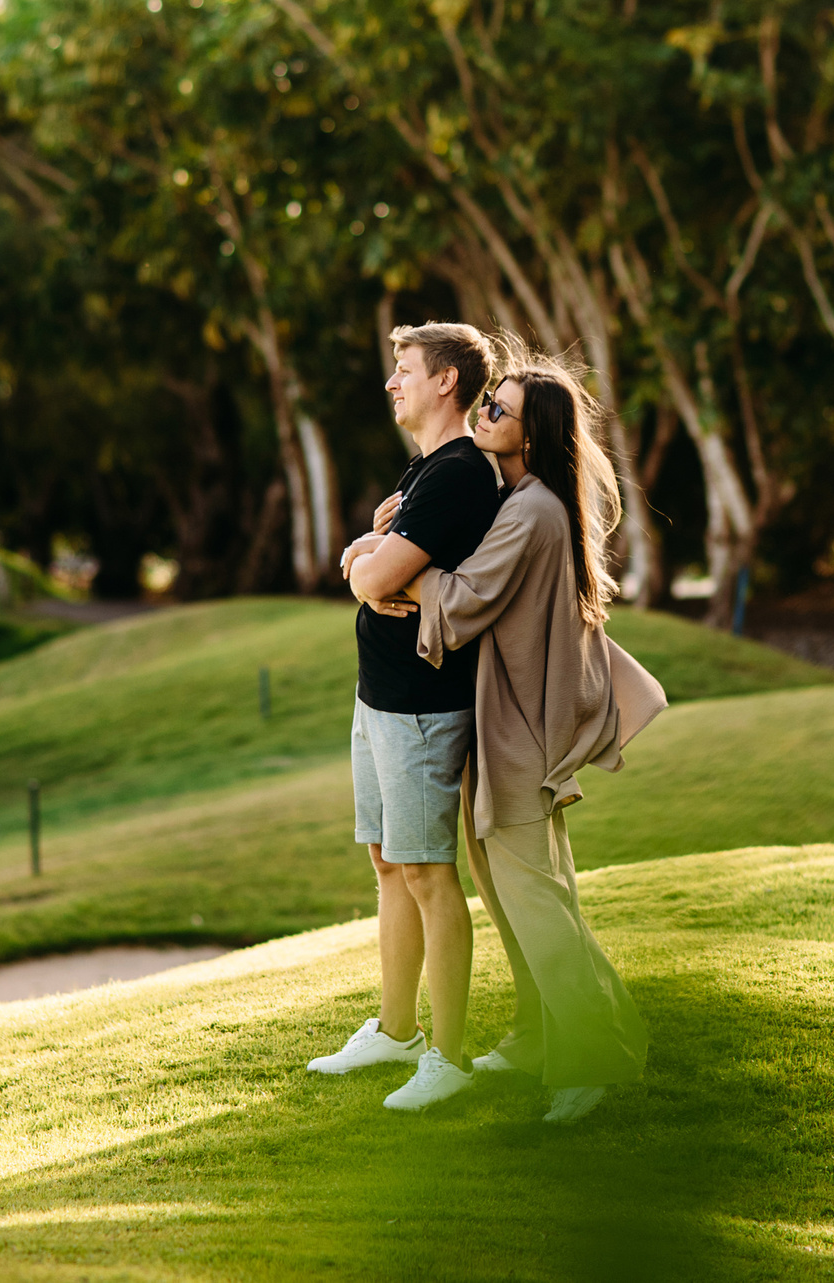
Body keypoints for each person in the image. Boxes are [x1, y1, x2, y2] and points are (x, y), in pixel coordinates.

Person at [407, 345, 657, 1124]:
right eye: (486, 402)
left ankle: (591, 1060)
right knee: (518, 894)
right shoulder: (527, 501)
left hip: (520, 733)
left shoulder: (531, 510)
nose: (483, 413)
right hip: (511, 726)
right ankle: (537, 1033)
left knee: (536, 904)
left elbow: (461, 599)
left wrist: (392, 559)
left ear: (532, 433)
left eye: (497, 409)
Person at [308, 321, 501, 1113]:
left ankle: (449, 1054)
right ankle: (395, 1030)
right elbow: (366, 564)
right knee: (390, 862)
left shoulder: (458, 472)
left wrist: (369, 563)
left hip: (423, 705)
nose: (392, 382)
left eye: (405, 369)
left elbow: (371, 576)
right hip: (379, 696)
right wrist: (369, 554)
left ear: (447, 380)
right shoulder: (426, 469)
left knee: (427, 871)